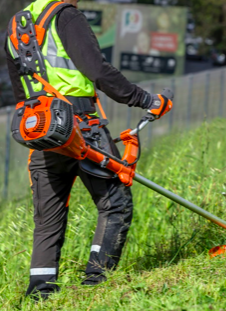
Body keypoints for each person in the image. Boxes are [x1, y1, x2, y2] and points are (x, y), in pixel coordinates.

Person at [5, 0, 172, 300]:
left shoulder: (17, 24)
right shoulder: (65, 16)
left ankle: (40, 296)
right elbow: (98, 70)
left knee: (47, 219)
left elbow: (21, 92)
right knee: (115, 203)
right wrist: (147, 100)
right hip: (81, 127)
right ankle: (96, 284)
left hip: (41, 129)